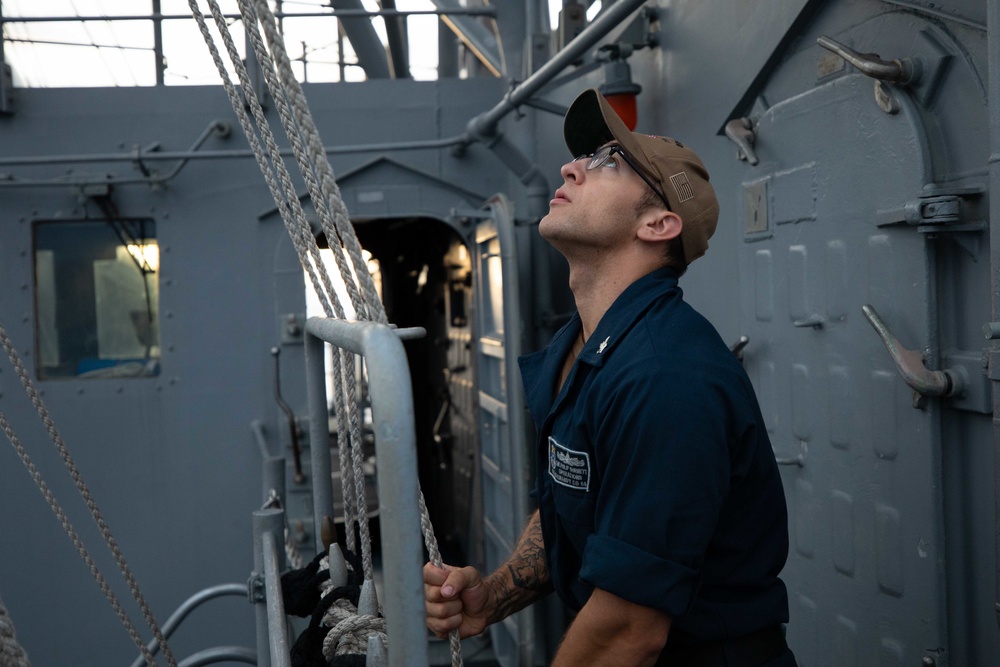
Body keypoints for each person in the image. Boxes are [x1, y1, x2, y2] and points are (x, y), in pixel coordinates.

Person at [424, 88, 794, 667]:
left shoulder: (665, 375)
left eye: (607, 164)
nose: (571, 166)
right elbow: (575, 508)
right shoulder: (588, 346)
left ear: (658, 223)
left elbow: (628, 630)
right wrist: (491, 597)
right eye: (582, 158)